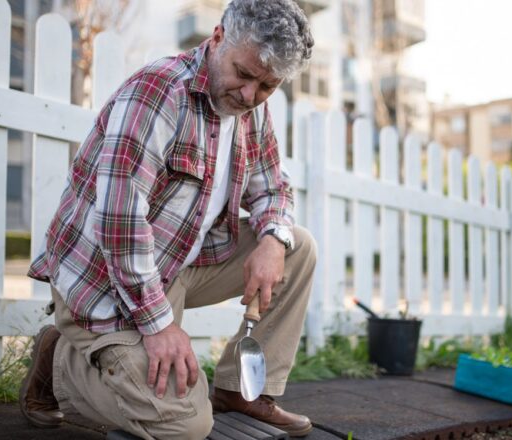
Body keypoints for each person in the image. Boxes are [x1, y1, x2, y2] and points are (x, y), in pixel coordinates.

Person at [19, 1, 316, 438]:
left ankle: (242, 392)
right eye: (244, 74)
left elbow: (273, 187)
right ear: (217, 38)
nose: (251, 95)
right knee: (185, 427)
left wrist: (272, 239)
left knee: (297, 247)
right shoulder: (157, 93)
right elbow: (119, 224)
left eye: (268, 85)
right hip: (107, 285)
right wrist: (159, 326)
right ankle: (59, 362)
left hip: (176, 266)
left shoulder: (251, 109)